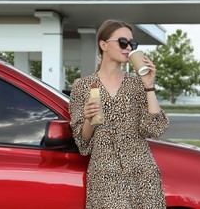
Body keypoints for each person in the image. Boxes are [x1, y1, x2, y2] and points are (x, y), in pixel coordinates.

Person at [69, 19, 169, 208]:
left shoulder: (137, 84)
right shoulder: (82, 86)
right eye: (123, 42)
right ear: (103, 45)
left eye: (132, 44)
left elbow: (154, 128)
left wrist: (149, 86)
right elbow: (82, 143)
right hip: (106, 177)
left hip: (142, 174)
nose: (128, 48)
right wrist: (89, 120)